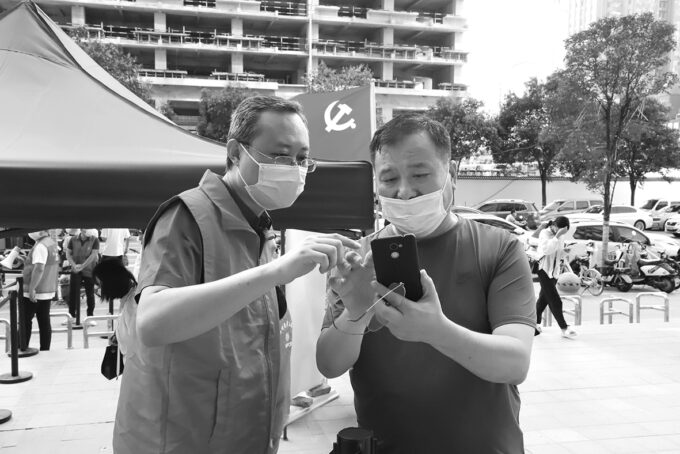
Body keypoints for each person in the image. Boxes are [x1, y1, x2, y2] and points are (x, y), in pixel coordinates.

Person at [112, 95, 360, 454]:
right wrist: (275, 272)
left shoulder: (258, 228)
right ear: (234, 153)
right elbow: (152, 322)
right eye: (280, 155)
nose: (294, 168)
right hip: (182, 441)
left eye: (302, 159)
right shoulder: (187, 217)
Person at [316, 115, 536, 454]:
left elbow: (515, 364)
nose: (404, 191)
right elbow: (330, 364)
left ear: (452, 174)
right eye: (389, 178)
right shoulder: (357, 261)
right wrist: (356, 313)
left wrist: (436, 331)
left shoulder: (499, 248)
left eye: (419, 174)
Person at [534, 216, 578, 339]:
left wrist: (565, 252)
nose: (562, 233)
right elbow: (547, 250)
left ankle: (534, 324)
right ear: (554, 225)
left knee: (543, 300)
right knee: (555, 300)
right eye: (561, 230)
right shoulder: (544, 233)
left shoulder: (560, 236)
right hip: (543, 270)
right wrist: (557, 236)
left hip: (554, 272)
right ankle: (564, 328)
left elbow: (557, 253)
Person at [21, 230, 59, 351]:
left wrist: (32, 288)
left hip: (36, 289)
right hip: (47, 288)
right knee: (44, 320)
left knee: (25, 320)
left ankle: (22, 347)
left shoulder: (41, 246)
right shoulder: (51, 243)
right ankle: (45, 349)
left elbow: (39, 268)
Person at [93, 259, 138, 359]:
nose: (97, 289)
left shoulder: (132, 304)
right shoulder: (128, 299)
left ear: (111, 282)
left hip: (134, 363)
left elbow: (134, 344)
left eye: (100, 285)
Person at [65, 228, 100, 326]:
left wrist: (83, 266)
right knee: (73, 293)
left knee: (90, 293)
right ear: (81, 229)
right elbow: (68, 254)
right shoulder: (73, 239)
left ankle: (90, 316)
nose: (88, 230)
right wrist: (74, 265)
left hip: (89, 270)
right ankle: (72, 316)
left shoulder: (94, 240)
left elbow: (93, 255)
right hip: (75, 269)